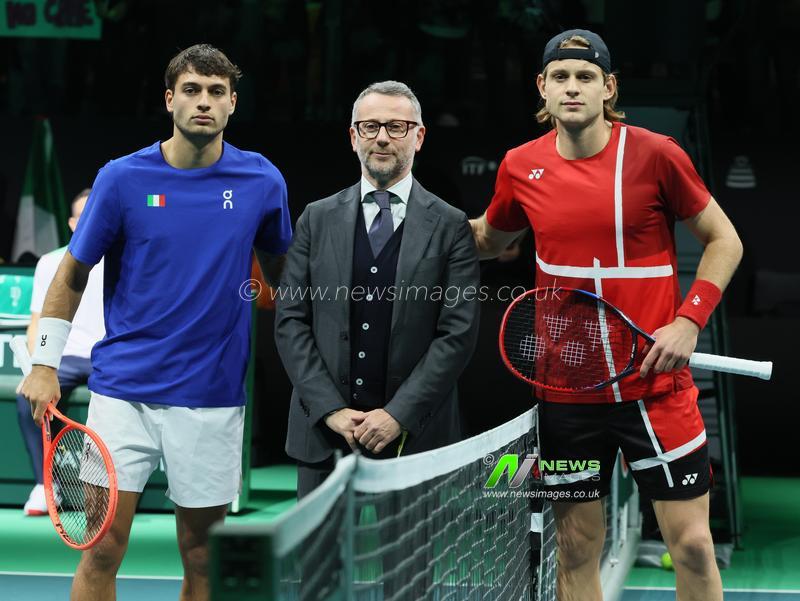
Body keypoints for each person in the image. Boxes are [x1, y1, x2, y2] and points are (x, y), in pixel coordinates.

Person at [470, 30, 742, 601]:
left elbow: (725, 240)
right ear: (542, 87)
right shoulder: (520, 166)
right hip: (568, 397)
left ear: (608, 87)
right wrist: (408, 207)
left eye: (586, 77)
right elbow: (489, 240)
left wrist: (689, 320)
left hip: (656, 390)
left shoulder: (658, 154)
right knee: (574, 547)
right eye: (561, 77)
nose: (573, 87)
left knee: (693, 546)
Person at [18, 44, 292, 601]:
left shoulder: (262, 181)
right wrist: (44, 363)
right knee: (101, 546)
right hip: (122, 395)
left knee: (202, 554)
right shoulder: (122, 178)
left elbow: (284, 278)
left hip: (212, 398)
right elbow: (72, 272)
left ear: (233, 103)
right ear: (170, 100)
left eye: (216, 92)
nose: (203, 102)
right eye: (191, 90)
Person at [275, 80, 480, 499]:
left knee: (412, 549)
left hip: (415, 437)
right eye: (370, 126)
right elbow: (291, 321)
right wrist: (331, 409)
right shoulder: (315, 218)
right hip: (324, 436)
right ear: (354, 137)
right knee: (319, 547)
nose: (382, 137)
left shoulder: (451, 225)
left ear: (418, 137)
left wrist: (397, 415)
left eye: (397, 127)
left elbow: (457, 334)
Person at [16, 188, 104, 516]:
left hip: (106, 357)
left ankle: (111, 489)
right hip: (63, 358)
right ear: (71, 223)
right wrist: (35, 367)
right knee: (27, 398)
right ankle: (45, 485)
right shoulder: (50, 262)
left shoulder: (123, 260)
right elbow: (37, 322)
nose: (90, 220)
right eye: (83, 215)